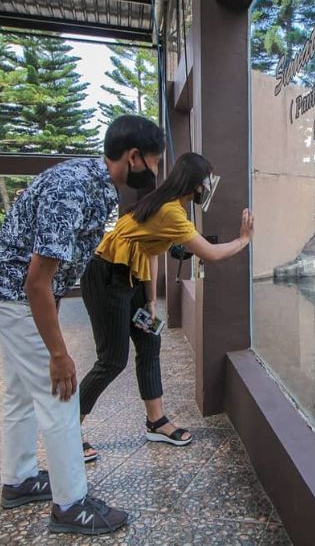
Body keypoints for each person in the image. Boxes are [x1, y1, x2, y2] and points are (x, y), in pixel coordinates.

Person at [0, 114, 164, 534]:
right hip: (17, 296)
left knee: (20, 393)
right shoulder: (72, 188)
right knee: (60, 393)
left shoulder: (97, 186)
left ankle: (17, 481)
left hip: (18, 295)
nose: (157, 171)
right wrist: (59, 353)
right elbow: (36, 280)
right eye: (154, 161)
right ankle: (71, 505)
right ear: (133, 157)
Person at [78, 152, 253, 461]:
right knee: (112, 360)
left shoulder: (161, 204)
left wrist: (149, 299)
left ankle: (156, 421)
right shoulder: (171, 212)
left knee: (150, 341)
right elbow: (210, 253)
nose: (209, 187)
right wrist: (243, 240)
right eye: (206, 180)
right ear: (195, 183)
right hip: (107, 278)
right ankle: (68, 430)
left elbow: (151, 251)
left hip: (131, 278)